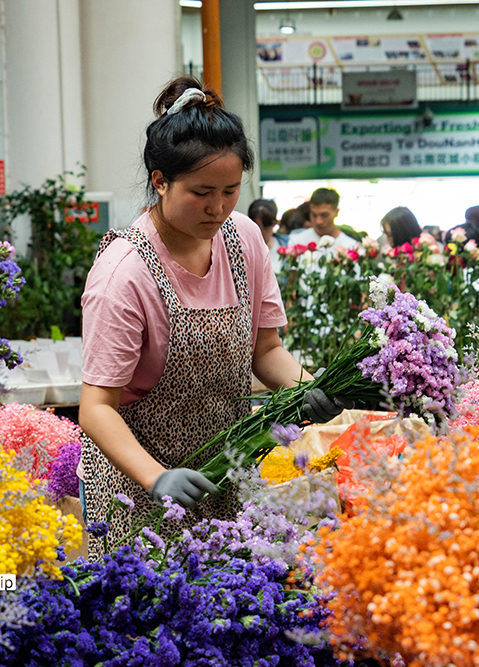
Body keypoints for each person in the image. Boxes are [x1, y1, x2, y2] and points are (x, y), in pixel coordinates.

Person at [77, 77, 350, 553]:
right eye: (202, 192)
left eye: (230, 191)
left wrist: (306, 388)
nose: (218, 208)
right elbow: (96, 407)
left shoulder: (243, 239)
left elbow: (266, 350)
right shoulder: (125, 273)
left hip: (228, 474)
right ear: (160, 181)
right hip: (141, 489)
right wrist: (156, 477)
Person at [288, 188, 359, 249]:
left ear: (336, 212)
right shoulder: (297, 243)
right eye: (314, 215)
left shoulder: (350, 247)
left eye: (324, 215)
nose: (318, 221)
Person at [248, 198, 287, 274]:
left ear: (274, 223)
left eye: (266, 227)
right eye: (257, 228)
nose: (262, 232)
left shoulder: (287, 245)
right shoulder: (243, 250)